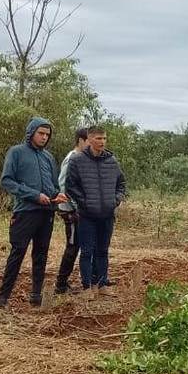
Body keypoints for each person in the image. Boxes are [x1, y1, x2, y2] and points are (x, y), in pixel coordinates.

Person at [0, 118, 66, 308]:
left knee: (41, 254)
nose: (44, 137)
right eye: (41, 133)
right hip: (25, 212)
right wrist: (34, 195)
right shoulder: (16, 152)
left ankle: (36, 294)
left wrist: (56, 196)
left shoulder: (48, 158)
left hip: (46, 213)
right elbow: (7, 181)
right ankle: (3, 297)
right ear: (31, 132)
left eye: (47, 135)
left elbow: (53, 185)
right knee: (17, 252)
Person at [65, 125, 126, 299]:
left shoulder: (112, 160)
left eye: (104, 138)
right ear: (89, 139)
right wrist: (84, 203)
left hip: (107, 214)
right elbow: (71, 186)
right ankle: (86, 288)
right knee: (86, 252)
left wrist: (115, 199)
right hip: (87, 216)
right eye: (98, 138)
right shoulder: (77, 160)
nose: (102, 142)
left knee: (103, 250)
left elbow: (121, 183)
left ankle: (101, 284)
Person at [54, 128, 89, 295]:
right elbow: (63, 186)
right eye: (89, 140)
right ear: (81, 140)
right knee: (73, 245)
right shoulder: (72, 158)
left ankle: (88, 279)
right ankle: (60, 284)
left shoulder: (82, 158)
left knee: (81, 244)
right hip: (70, 210)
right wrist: (74, 207)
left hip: (79, 209)